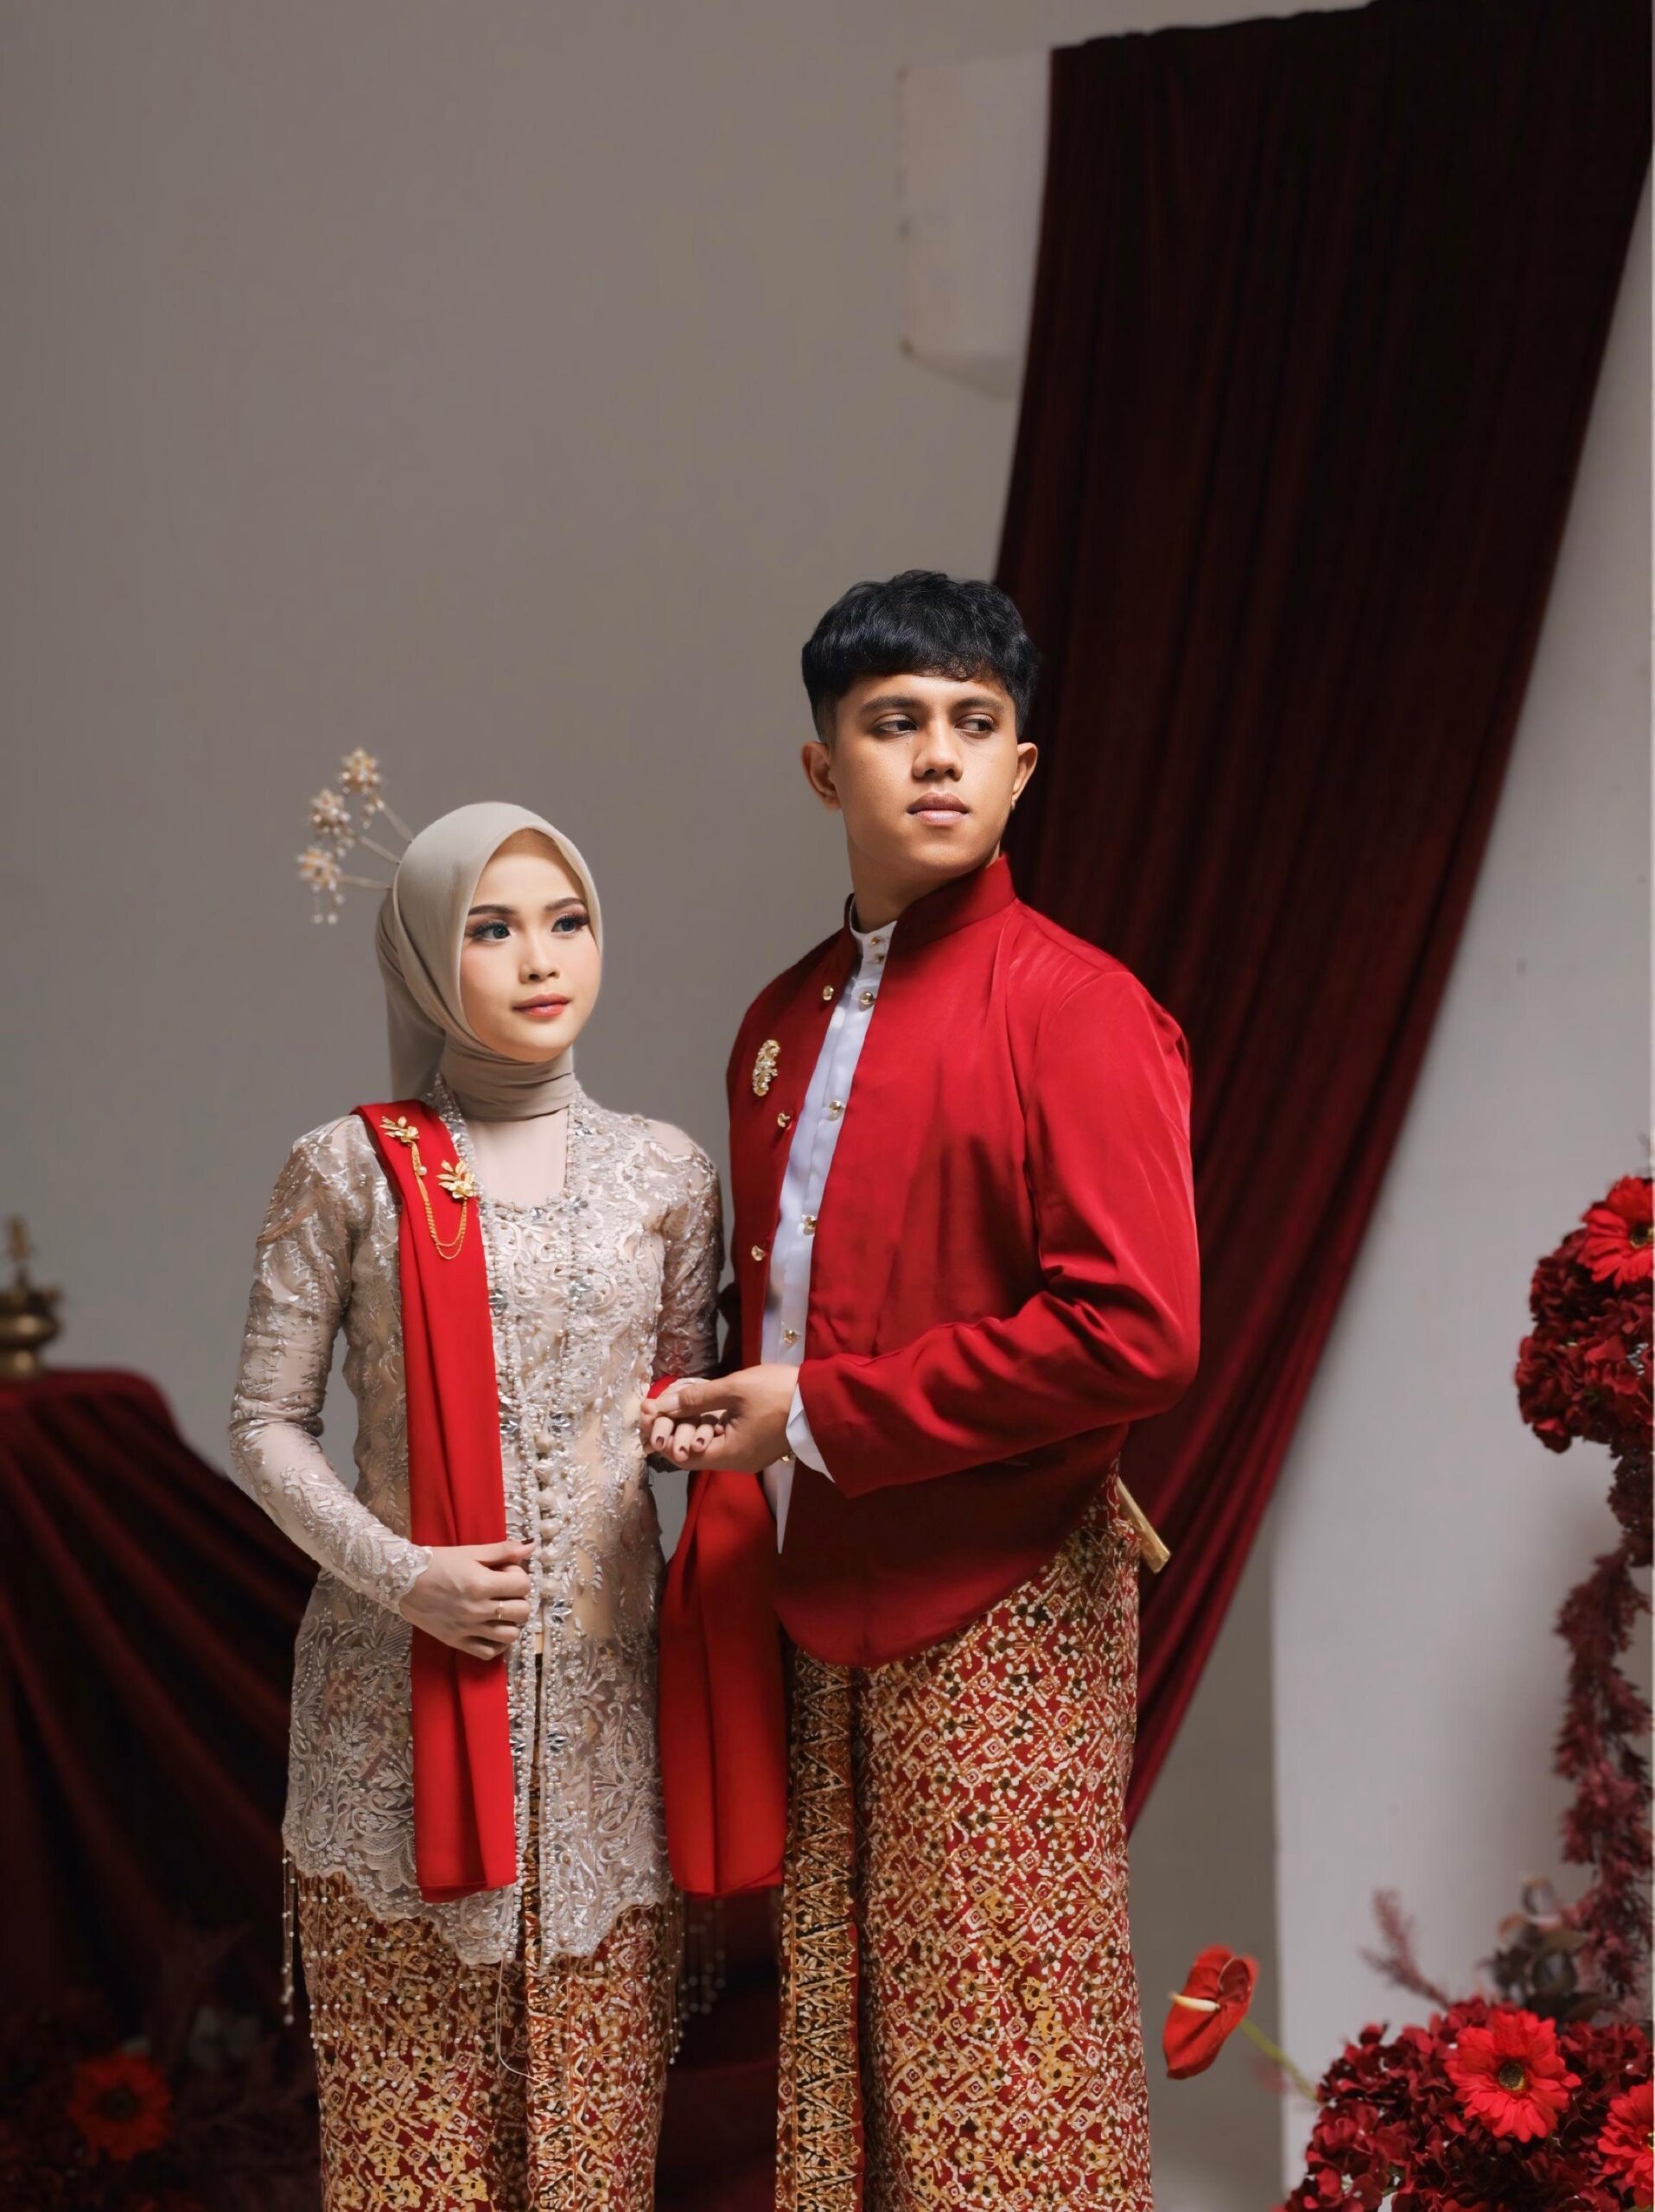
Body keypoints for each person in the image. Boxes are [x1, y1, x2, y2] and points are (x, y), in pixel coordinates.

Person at [646, 573, 1200, 2211]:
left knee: (1004, 2057)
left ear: (1022, 769)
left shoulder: (1077, 1008)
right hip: (819, 1590)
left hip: (1008, 1590)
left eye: (976, 725)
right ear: (826, 767)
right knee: (842, 2052)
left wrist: (815, 1412)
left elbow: (1136, 1334)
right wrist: (710, 1405)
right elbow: (785, 1301)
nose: (938, 756)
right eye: (896, 724)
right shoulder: (778, 1023)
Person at [231, 799, 720, 2211]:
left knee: (594, 2168)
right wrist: (410, 1576)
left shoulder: (669, 1172)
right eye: (491, 929)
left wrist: (699, 1427)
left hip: (606, 1731)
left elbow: (678, 1402)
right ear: (425, 957)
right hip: (397, 1705)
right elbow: (264, 1424)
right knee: (413, 2166)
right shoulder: (348, 1168)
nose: (540, 957)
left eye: (567, 921)